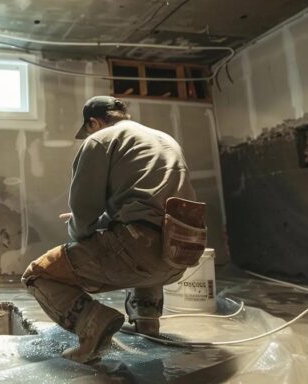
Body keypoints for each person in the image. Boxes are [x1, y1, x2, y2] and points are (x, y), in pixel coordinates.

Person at [21, 95, 196, 363]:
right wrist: (105, 221)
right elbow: (150, 205)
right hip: (179, 255)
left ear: (93, 122)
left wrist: (79, 225)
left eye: (89, 127)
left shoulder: (100, 140)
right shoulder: (162, 138)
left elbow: (83, 218)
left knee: (38, 274)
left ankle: (94, 322)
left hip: (139, 252)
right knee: (140, 239)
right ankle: (147, 322)